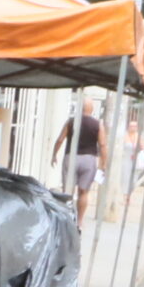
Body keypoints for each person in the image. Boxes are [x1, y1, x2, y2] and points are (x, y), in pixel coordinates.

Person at [53, 96, 106, 225]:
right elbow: (103, 145)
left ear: (80, 108)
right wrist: (103, 164)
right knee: (84, 192)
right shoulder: (98, 124)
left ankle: (67, 220)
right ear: (92, 109)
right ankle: (79, 222)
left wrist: (54, 154)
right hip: (88, 160)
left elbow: (60, 139)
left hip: (71, 158)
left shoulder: (71, 122)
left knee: (67, 191)